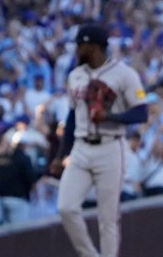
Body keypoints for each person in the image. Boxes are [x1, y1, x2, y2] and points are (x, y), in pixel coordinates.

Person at [53, 24, 149, 257]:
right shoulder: (75, 75)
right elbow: (72, 117)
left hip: (110, 147)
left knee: (108, 218)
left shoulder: (124, 74)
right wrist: (60, 155)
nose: (76, 49)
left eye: (80, 44)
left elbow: (141, 112)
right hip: (81, 148)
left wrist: (110, 116)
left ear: (94, 47)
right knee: (66, 208)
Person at [0, 130, 40, 224]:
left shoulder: (1, 157)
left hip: (1, 199)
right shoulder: (24, 158)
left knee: (5, 234)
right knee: (20, 233)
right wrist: (35, 194)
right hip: (18, 200)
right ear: (24, 144)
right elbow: (31, 178)